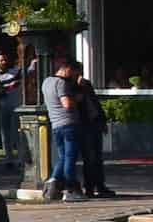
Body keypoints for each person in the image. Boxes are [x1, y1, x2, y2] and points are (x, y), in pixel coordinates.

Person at [41, 57, 82, 201]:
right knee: (70, 158)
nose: (75, 76)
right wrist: (77, 98)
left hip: (55, 124)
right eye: (75, 72)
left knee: (63, 157)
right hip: (68, 124)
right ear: (68, 69)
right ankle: (70, 189)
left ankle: (52, 182)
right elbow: (67, 104)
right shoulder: (61, 83)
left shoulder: (46, 81)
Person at [74, 70, 112, 198]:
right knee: (89, 157)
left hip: (94, 122)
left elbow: (95, 103)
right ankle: (89, 187)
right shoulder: (71, 85)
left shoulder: (87, 85)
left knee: (97, 157)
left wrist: (102, 121)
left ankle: (100, 185)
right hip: (83, 125)